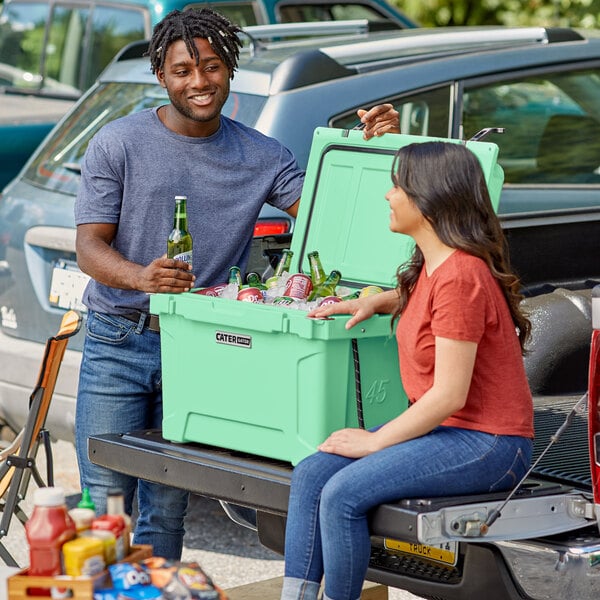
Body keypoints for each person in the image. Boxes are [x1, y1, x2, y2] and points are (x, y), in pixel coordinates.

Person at [74, 7, 400, 560]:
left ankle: (158, 596)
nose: (199, 82)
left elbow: (333, 211)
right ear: (161, 74)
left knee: (168, 505)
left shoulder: (263, 155)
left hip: (197, 348)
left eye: (212, 68)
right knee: (103, 502)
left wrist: (375, 149)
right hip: (117, 340)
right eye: (183, 70)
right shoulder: (118, 143)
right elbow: (89, 247)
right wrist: (142, 276)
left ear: (230, 72)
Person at [280, 141, 534, 600]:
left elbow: (450, 395)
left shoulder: (461, 275)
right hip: (452, 432)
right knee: (313, 472)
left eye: (398, 185)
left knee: (341, 496)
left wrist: (375, 441)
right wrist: (375, 300)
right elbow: (430, 303)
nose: (388, 195)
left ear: (428, 197)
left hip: (488, 442)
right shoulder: (436, 268)